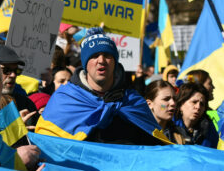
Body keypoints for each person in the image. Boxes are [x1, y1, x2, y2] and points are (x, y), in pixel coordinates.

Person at [35, 28, 170, 145]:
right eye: (94, 56)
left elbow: (154, 149)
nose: (101, 61)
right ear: (85, 64)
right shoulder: (65, 98)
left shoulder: (133, 101)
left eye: (107, 55)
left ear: (115, 62)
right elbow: (46, 145)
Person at [0, 45, 38, 127]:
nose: (13, 75)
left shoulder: (25, 103)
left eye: (17, 70)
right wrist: (14, 131)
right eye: (6, 70)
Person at [174, 81, 218, 147]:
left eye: (202, 104)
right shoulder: (169, 126)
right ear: (181, 104)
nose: (198, 107)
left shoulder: (209, 129)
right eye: (194, 102)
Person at [145, 80, 183, 144]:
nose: (173, 103)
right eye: (166, 99)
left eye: (174, 99)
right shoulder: (138, 132)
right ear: (149, 104)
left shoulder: (180, 134)